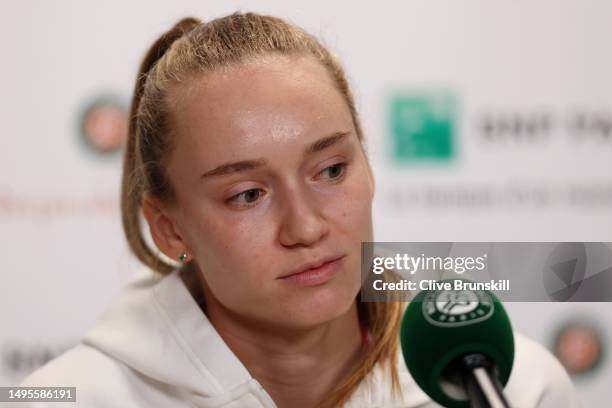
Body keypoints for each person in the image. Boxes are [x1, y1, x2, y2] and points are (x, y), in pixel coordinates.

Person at [17, 12, 581, 408]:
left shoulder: (512, 389)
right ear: (168, 228)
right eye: (247, 195)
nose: (307, 226)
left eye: (331, 170)